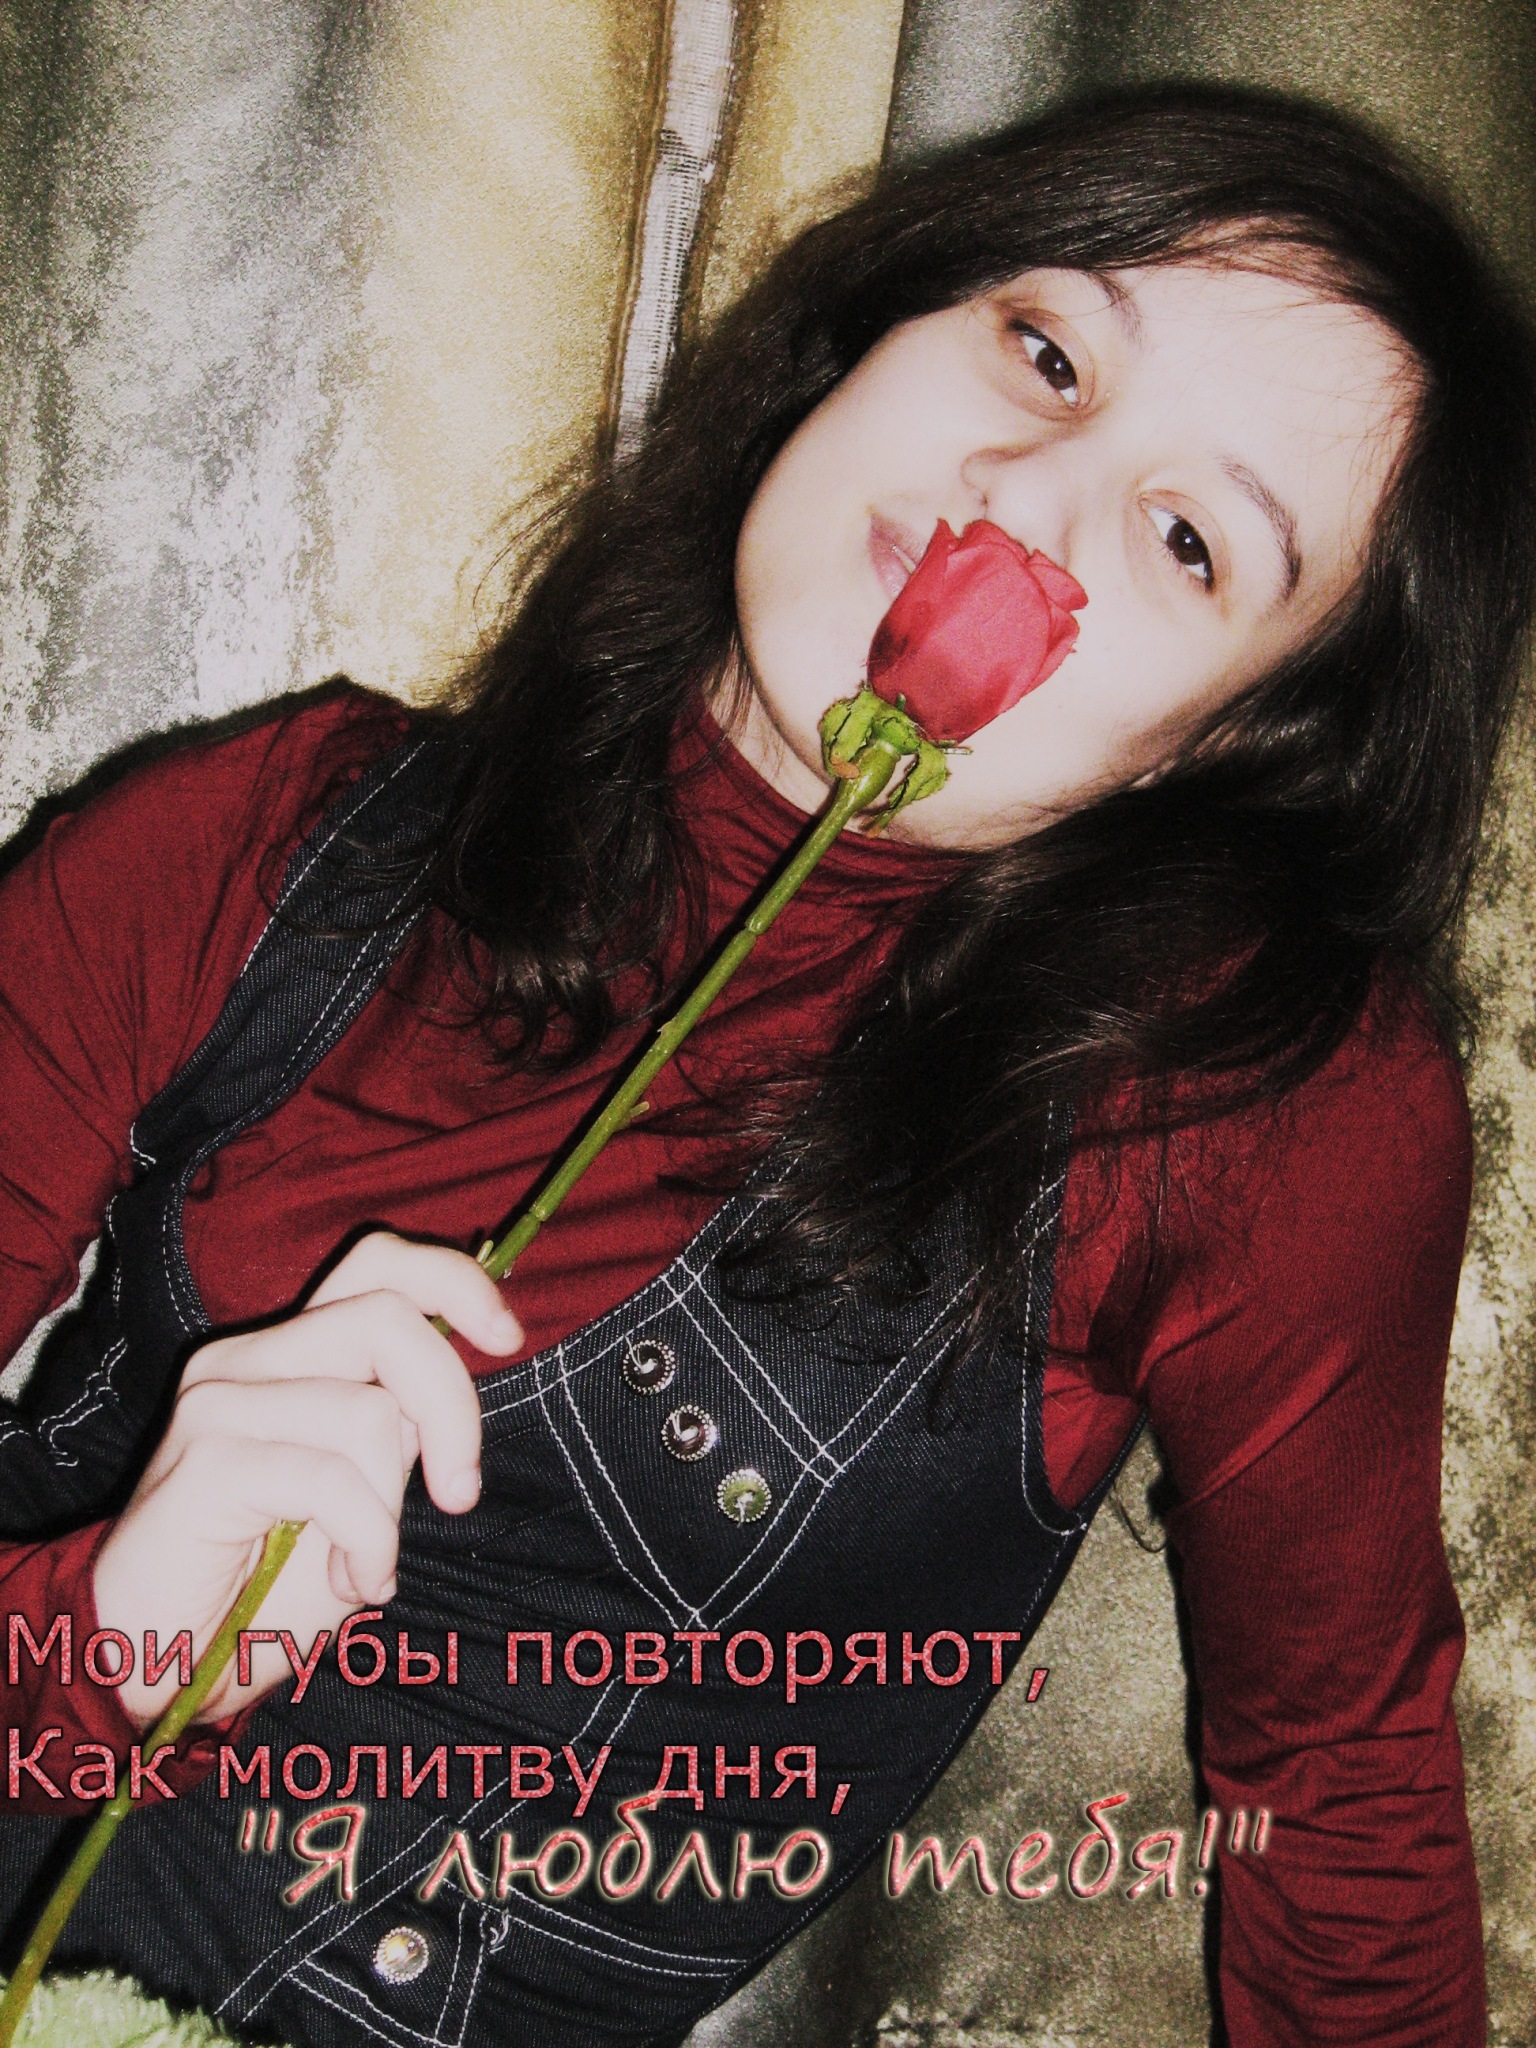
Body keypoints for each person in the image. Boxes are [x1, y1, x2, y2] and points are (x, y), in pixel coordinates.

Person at [1, 81, 1533, 2048]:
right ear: (878, 323)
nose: (1024, 500)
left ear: (1228, 739)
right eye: (1046, 350)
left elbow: (1338, 1805)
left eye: (1185, 542)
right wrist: (99, 1645)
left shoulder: (1250, 1105)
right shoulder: (251, 837)